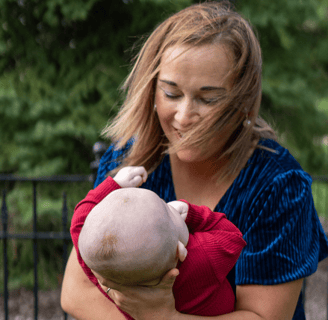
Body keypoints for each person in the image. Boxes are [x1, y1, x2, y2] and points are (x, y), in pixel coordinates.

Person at [61, 1, 328, 319]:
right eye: (172, 93)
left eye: (208, 98)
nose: (184, 117)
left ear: (243, 101)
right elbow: (75, 292)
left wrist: (165, 317)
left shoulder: (278, 185)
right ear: (152, 90)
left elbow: (263, 316)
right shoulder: (128, 161)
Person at [71, 166, 246, 318]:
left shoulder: (102, 270)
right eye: (167, 209)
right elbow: (232, 236)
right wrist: (194, 214)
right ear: (179, 250)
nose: (169, 204)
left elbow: (79, 222)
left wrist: (114, 185)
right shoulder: (199, 257)